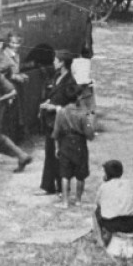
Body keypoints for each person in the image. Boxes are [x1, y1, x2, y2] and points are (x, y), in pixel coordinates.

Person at [38, 50, 77, 194]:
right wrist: (48, 102)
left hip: (62, 122)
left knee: (60, 153)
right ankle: (48, 185)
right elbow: (53, 94)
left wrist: (54, 107)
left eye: (56, 60)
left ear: (62, 63)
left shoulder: (70, 83)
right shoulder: (56, 77)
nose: (54, 62)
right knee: (50, 152)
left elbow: (73, 106)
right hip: (51, 121)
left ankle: (62, 187)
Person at [52, 84, 95, 208]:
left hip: (65, 143)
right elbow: (90, 134)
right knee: (80, 174)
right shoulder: (83, 114)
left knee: (65, 174)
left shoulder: (61, 112)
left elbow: (56, 132)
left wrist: (56, 147)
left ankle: (65, 202)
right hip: (80, 144)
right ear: (77, 97)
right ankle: (78, 200)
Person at [94, 160, 133, 245]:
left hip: (113, 224)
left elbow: (98, 203)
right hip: (131, 222)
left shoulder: (104, 186)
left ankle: (100, 241)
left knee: (96, 212)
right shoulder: (128, 183)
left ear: (107, 174)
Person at [72, 46, 96, 112]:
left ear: (80, 54)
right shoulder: (89, 62)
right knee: (89, 106)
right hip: (86, 85)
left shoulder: (74, 61)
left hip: (77, 84)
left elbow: (72, 72)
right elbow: (92, 75)